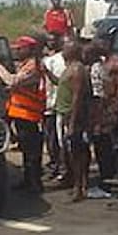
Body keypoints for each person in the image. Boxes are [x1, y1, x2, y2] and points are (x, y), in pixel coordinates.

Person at [0, 36, 45, 194]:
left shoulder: (33, 66)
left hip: (30, 115)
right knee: (26, 150)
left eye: (20, 49)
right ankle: (28, 180)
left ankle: (34, 183)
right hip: (21, 114)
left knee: (32, 152)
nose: (17, 52)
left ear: (30, 49)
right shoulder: (26, 64)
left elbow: (13, 81)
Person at [87, 40, 118, 194]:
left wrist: (113, 109)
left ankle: (107, 182)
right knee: (101, 145)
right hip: (101, 109)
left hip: (106, 110)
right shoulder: (101, 63)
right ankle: (107, 178)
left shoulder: (115, 63)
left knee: (105, 146)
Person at [55, 41, 90, 202]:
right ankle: (79, 185)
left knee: (77, 153)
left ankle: (79, 187)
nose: (62, 52)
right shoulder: (69, 68)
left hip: (74, 116)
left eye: (65, 49)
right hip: (66, 114)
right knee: (72, 152)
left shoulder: (77, 70)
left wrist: (72, 122)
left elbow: (77, 97)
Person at [40, 34, 66, 180]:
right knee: (49, 137)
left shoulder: (59, 60)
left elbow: (59, 82)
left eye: (53, 40)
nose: (50, 43)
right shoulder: (47, 59)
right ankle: (54, 163)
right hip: (45, 103)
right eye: (48, 40)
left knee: (55, 138)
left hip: (55, 104)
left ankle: (58, 165)